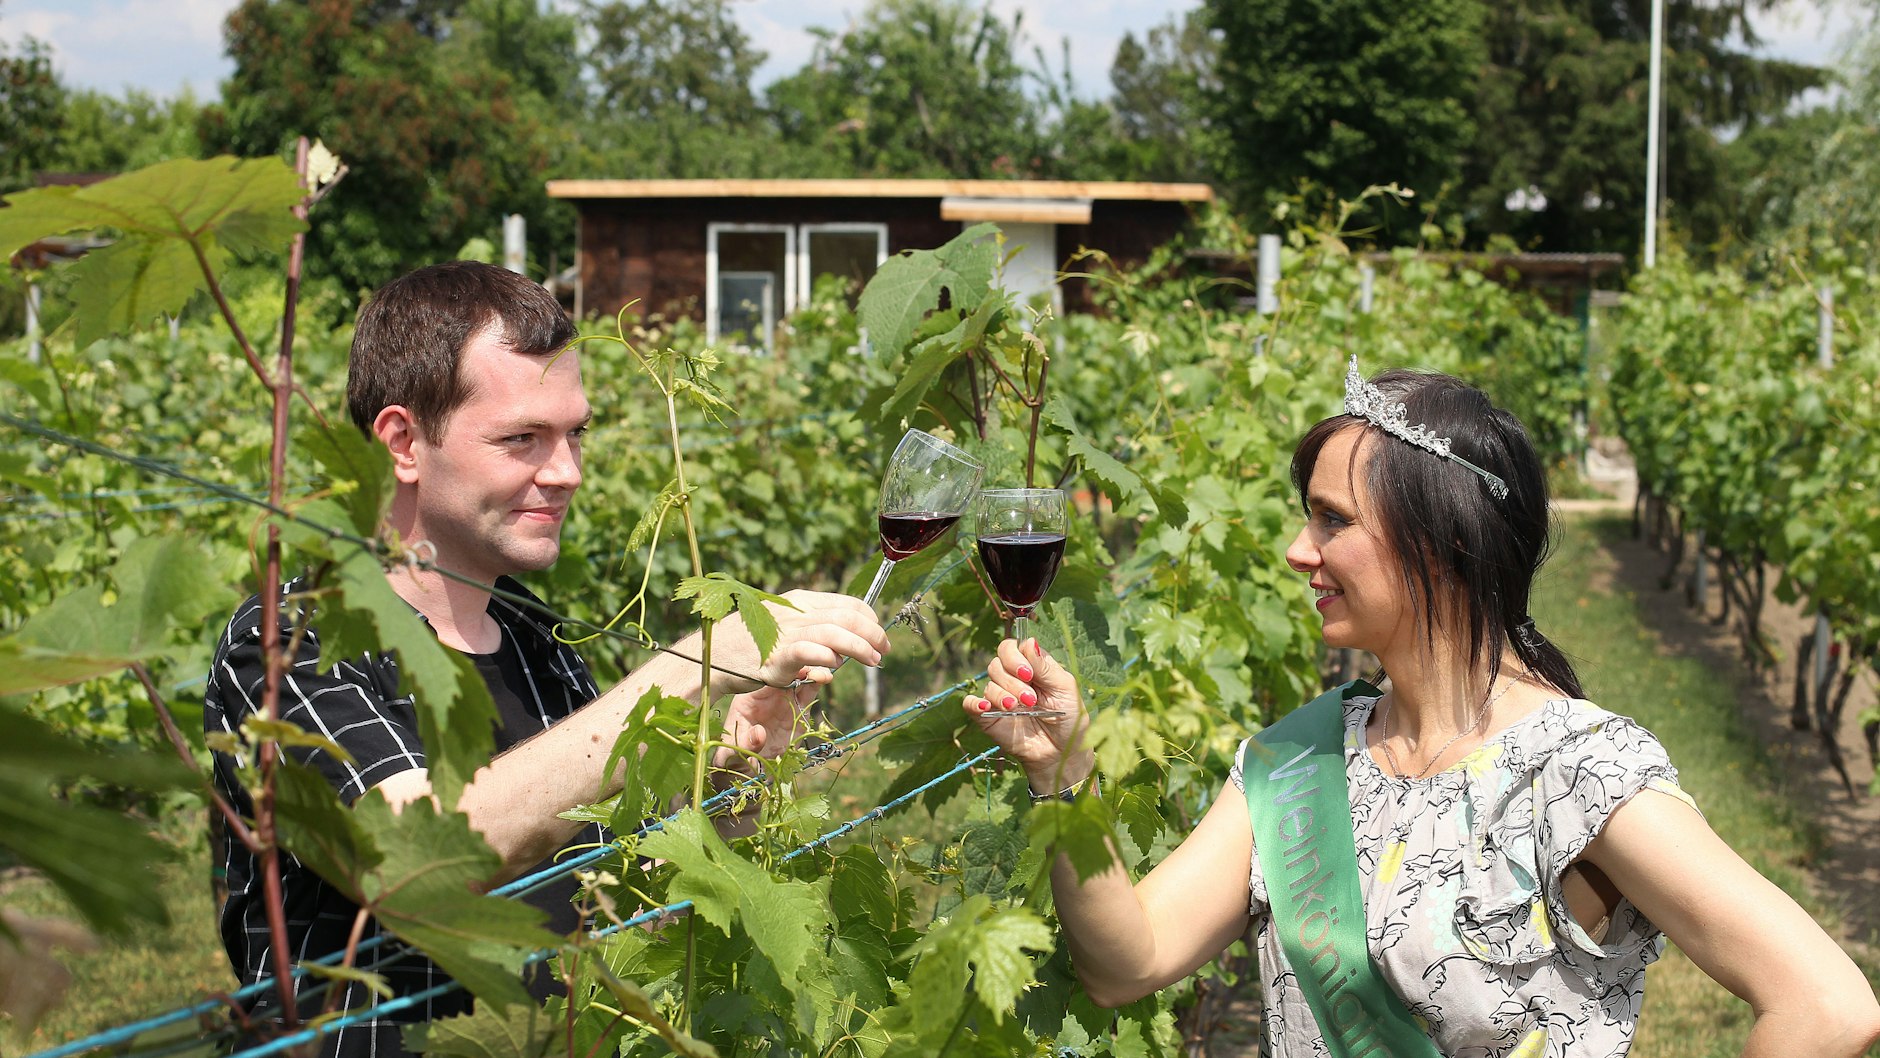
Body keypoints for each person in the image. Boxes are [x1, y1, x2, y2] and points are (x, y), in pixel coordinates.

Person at [963, 358, 1880, 1057]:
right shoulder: (1297, 761)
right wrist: (1064, 772)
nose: (1296, 549)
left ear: (1440, 541)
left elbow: (1829, 1007)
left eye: (1331, 520)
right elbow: (1128, 962)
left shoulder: (1575, 771)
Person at [204, 261, 890, 1056]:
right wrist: (685, 669)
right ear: (401, 442)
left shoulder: (537, 641)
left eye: (575, 433)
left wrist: (733, 774)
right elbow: (415, 860)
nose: (567, 472)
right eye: (522, 438)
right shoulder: (291, 640)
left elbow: (623, 884)